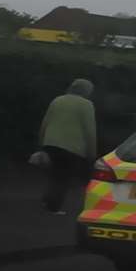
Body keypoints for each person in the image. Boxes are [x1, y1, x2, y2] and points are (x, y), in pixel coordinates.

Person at [37, 78, 98, 215]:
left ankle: (47, 200)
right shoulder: (87, 105)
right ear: (87, 91)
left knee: (54, 174)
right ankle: (54, 207)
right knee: (63, 177)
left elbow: (45, 122)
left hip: (50, 142)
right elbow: (89, 130)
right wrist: (92, 152)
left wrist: (41, 144)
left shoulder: (57, 100)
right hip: (72, 147)